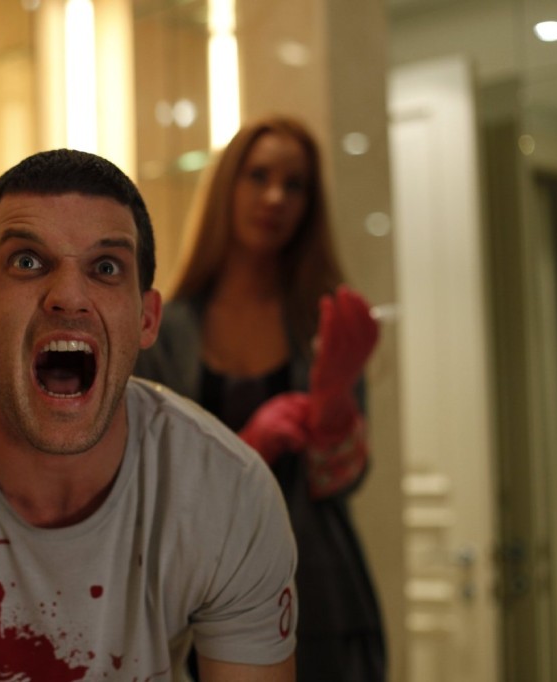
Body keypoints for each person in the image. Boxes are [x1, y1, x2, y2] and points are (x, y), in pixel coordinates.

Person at [0, 148, 298, 681]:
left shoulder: (227, 494)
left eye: (106, 268)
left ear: (147, 320)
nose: (67, 296)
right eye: (27, 261)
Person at [133, 115, 386, 681]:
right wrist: (251, 445)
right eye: (258, 176)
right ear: (228, 185)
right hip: (197, 598)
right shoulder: (165, 331)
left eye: (295, 185)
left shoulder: (323, 322)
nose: (275, 197)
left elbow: (343, 480)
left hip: (321, 597)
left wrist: (333, 399)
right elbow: (145, 479)